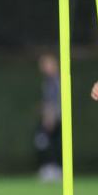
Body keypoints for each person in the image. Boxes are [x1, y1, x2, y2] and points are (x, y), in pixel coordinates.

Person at [35, 54, 62, 182]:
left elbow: (53, 102)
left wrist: (49, 118)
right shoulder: (48, 81)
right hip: (51, 117)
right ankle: (50, 167)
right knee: (44, 142)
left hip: (54, 118)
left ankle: (54, 169)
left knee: (49, 142)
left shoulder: (55, 81)